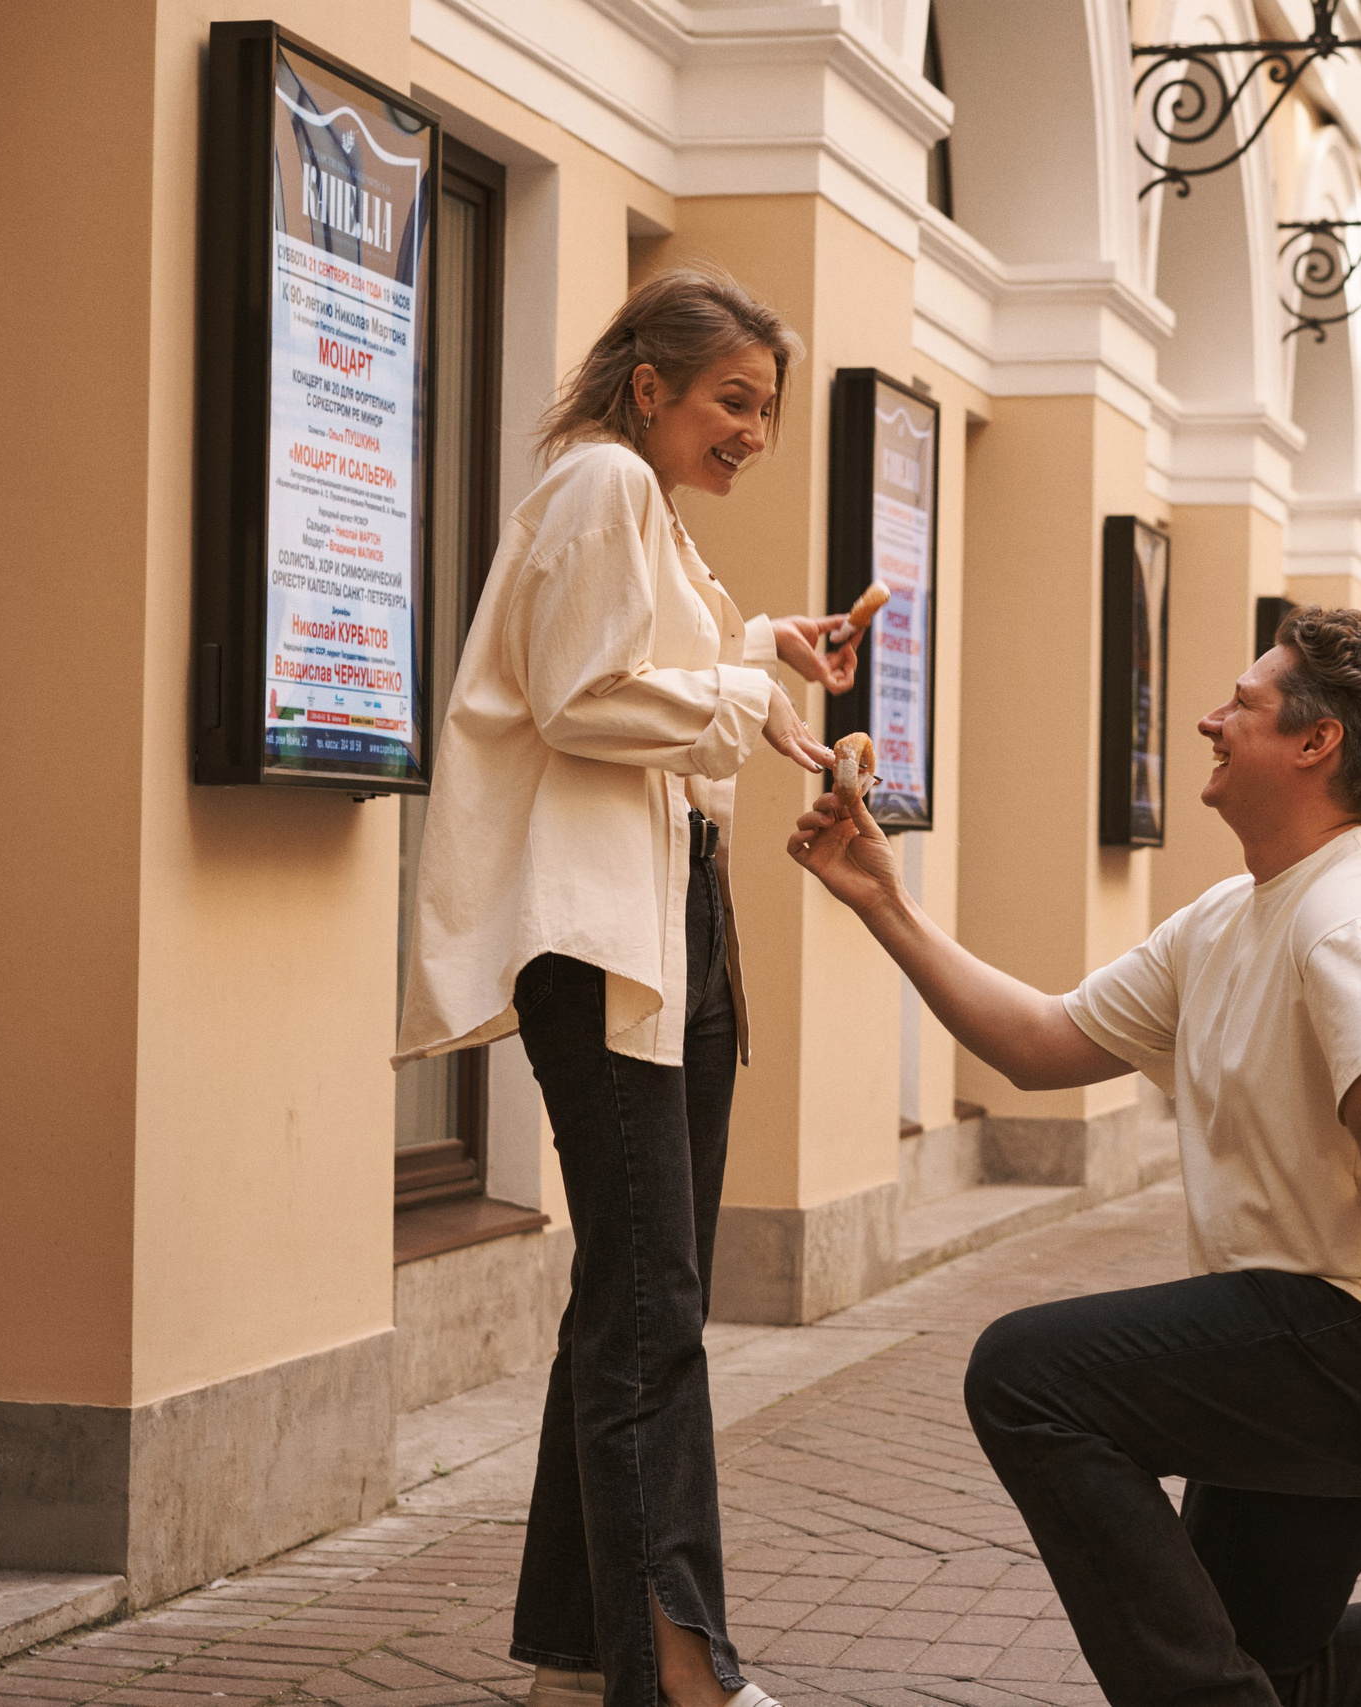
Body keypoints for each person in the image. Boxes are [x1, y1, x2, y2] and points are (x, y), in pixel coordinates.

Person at [789, 607, 1361, 1707]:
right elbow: (1039, 1045)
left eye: (1242, 704)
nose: (1210, 720)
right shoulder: (1228, 917)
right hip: (1338, 1347)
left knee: (1028, 1376)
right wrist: (885, 897)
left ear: (1316, 744)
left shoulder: (1355, 910)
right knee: (1262, 1669)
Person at [394, 271, 860, 1707]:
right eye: (735, 399)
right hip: (603, 943)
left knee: (633, 1299)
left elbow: (640, 676)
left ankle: (581, 1658)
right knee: (651, 1305)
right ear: (648, 381)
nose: (755, 434)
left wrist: (760, 649)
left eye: (766, 409)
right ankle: (673, 1670)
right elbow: (580, 693)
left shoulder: (640, 509)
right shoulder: (597, 482)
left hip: (669, 925)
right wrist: (741, 694)